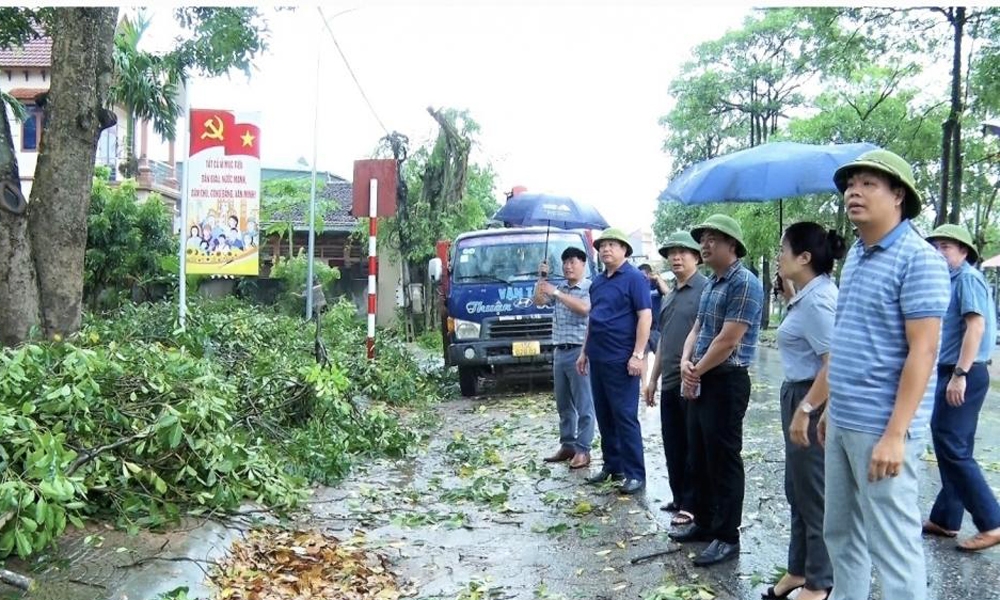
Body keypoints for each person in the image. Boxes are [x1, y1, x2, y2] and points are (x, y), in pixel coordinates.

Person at [819, 149, 950, 600]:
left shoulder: (919, 259)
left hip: (883, 427)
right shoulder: (856, 255)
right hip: (843, 420)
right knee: (840, 533)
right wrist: (824, 405)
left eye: (868, 183)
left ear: (898, 195)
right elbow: (848, 338)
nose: (854, 191)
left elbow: (925, 350)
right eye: (851, 184)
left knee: (893, 547)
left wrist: (896, 434)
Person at [670, 213, 763, 568]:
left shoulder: (746, 283)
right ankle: (705, 523)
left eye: (713, 239)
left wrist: (696, 370)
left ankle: (727, 536)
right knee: (700, 454)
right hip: (701, 376)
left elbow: (728, 339)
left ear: (732, 245)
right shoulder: (712, 283)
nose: (705, 245)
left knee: (724, 459)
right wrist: (686, 361)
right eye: (703, 238)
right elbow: (699, 327)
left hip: (726, 380)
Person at [767, 222, 844, 600]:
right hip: (796, 391)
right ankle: (798, 568)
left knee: (813, 492)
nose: (779, 256)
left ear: (805, 257)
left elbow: (834, 362)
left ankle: (820, 579)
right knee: (796, 488)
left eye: (783, 249)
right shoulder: (807, 296)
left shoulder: (819, 301)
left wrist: (808, 407)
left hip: (811, 396)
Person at [922, 224, 1000, 552]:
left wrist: (959, 374)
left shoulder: (966, 279)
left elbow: (976, 326)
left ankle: (992, 521)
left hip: (962, 372)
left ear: (963, 252)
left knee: (951, 443)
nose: (939, 253)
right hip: (957, 370)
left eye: (946, 247)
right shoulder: (950, 281)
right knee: (952, 445)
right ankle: (946, 518)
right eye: (935, 246)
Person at [575, 227, 652, 495]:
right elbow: (592, 319)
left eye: (612, 245)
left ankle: (635, 474)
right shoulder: (598, 282)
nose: (606, 249)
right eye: (602, 246)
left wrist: (638, 355)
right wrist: (584, 352)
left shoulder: (634, 279)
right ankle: (613, 465)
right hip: (598, 356)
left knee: (625, 416)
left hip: (622, 358)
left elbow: (645, 316)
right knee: (605, 415)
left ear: (624, 250)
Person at [643, 231, 707, 527]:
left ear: (697, 257)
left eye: (683, 252)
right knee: (673, 444)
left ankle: (694, 504)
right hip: (668, 379)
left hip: (692, 380)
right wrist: (652, 379)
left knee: (694, 446)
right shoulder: (669, 297)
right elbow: (665, 340)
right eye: (672, 253)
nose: (677, 257)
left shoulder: (705, 290)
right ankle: (679, 496)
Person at [534, 246, 595, 469]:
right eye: (565, 262)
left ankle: (583, 450)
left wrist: (557, 293)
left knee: (584, 404)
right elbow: (538, 301)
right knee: (563, 404)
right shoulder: (558, 286)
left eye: (573, 261)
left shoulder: (589, 287)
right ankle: (567, 444)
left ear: (583, 263)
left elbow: (585, 309)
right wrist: (541, 279)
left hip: (580, 351)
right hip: (559, 350)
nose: (568, 266)